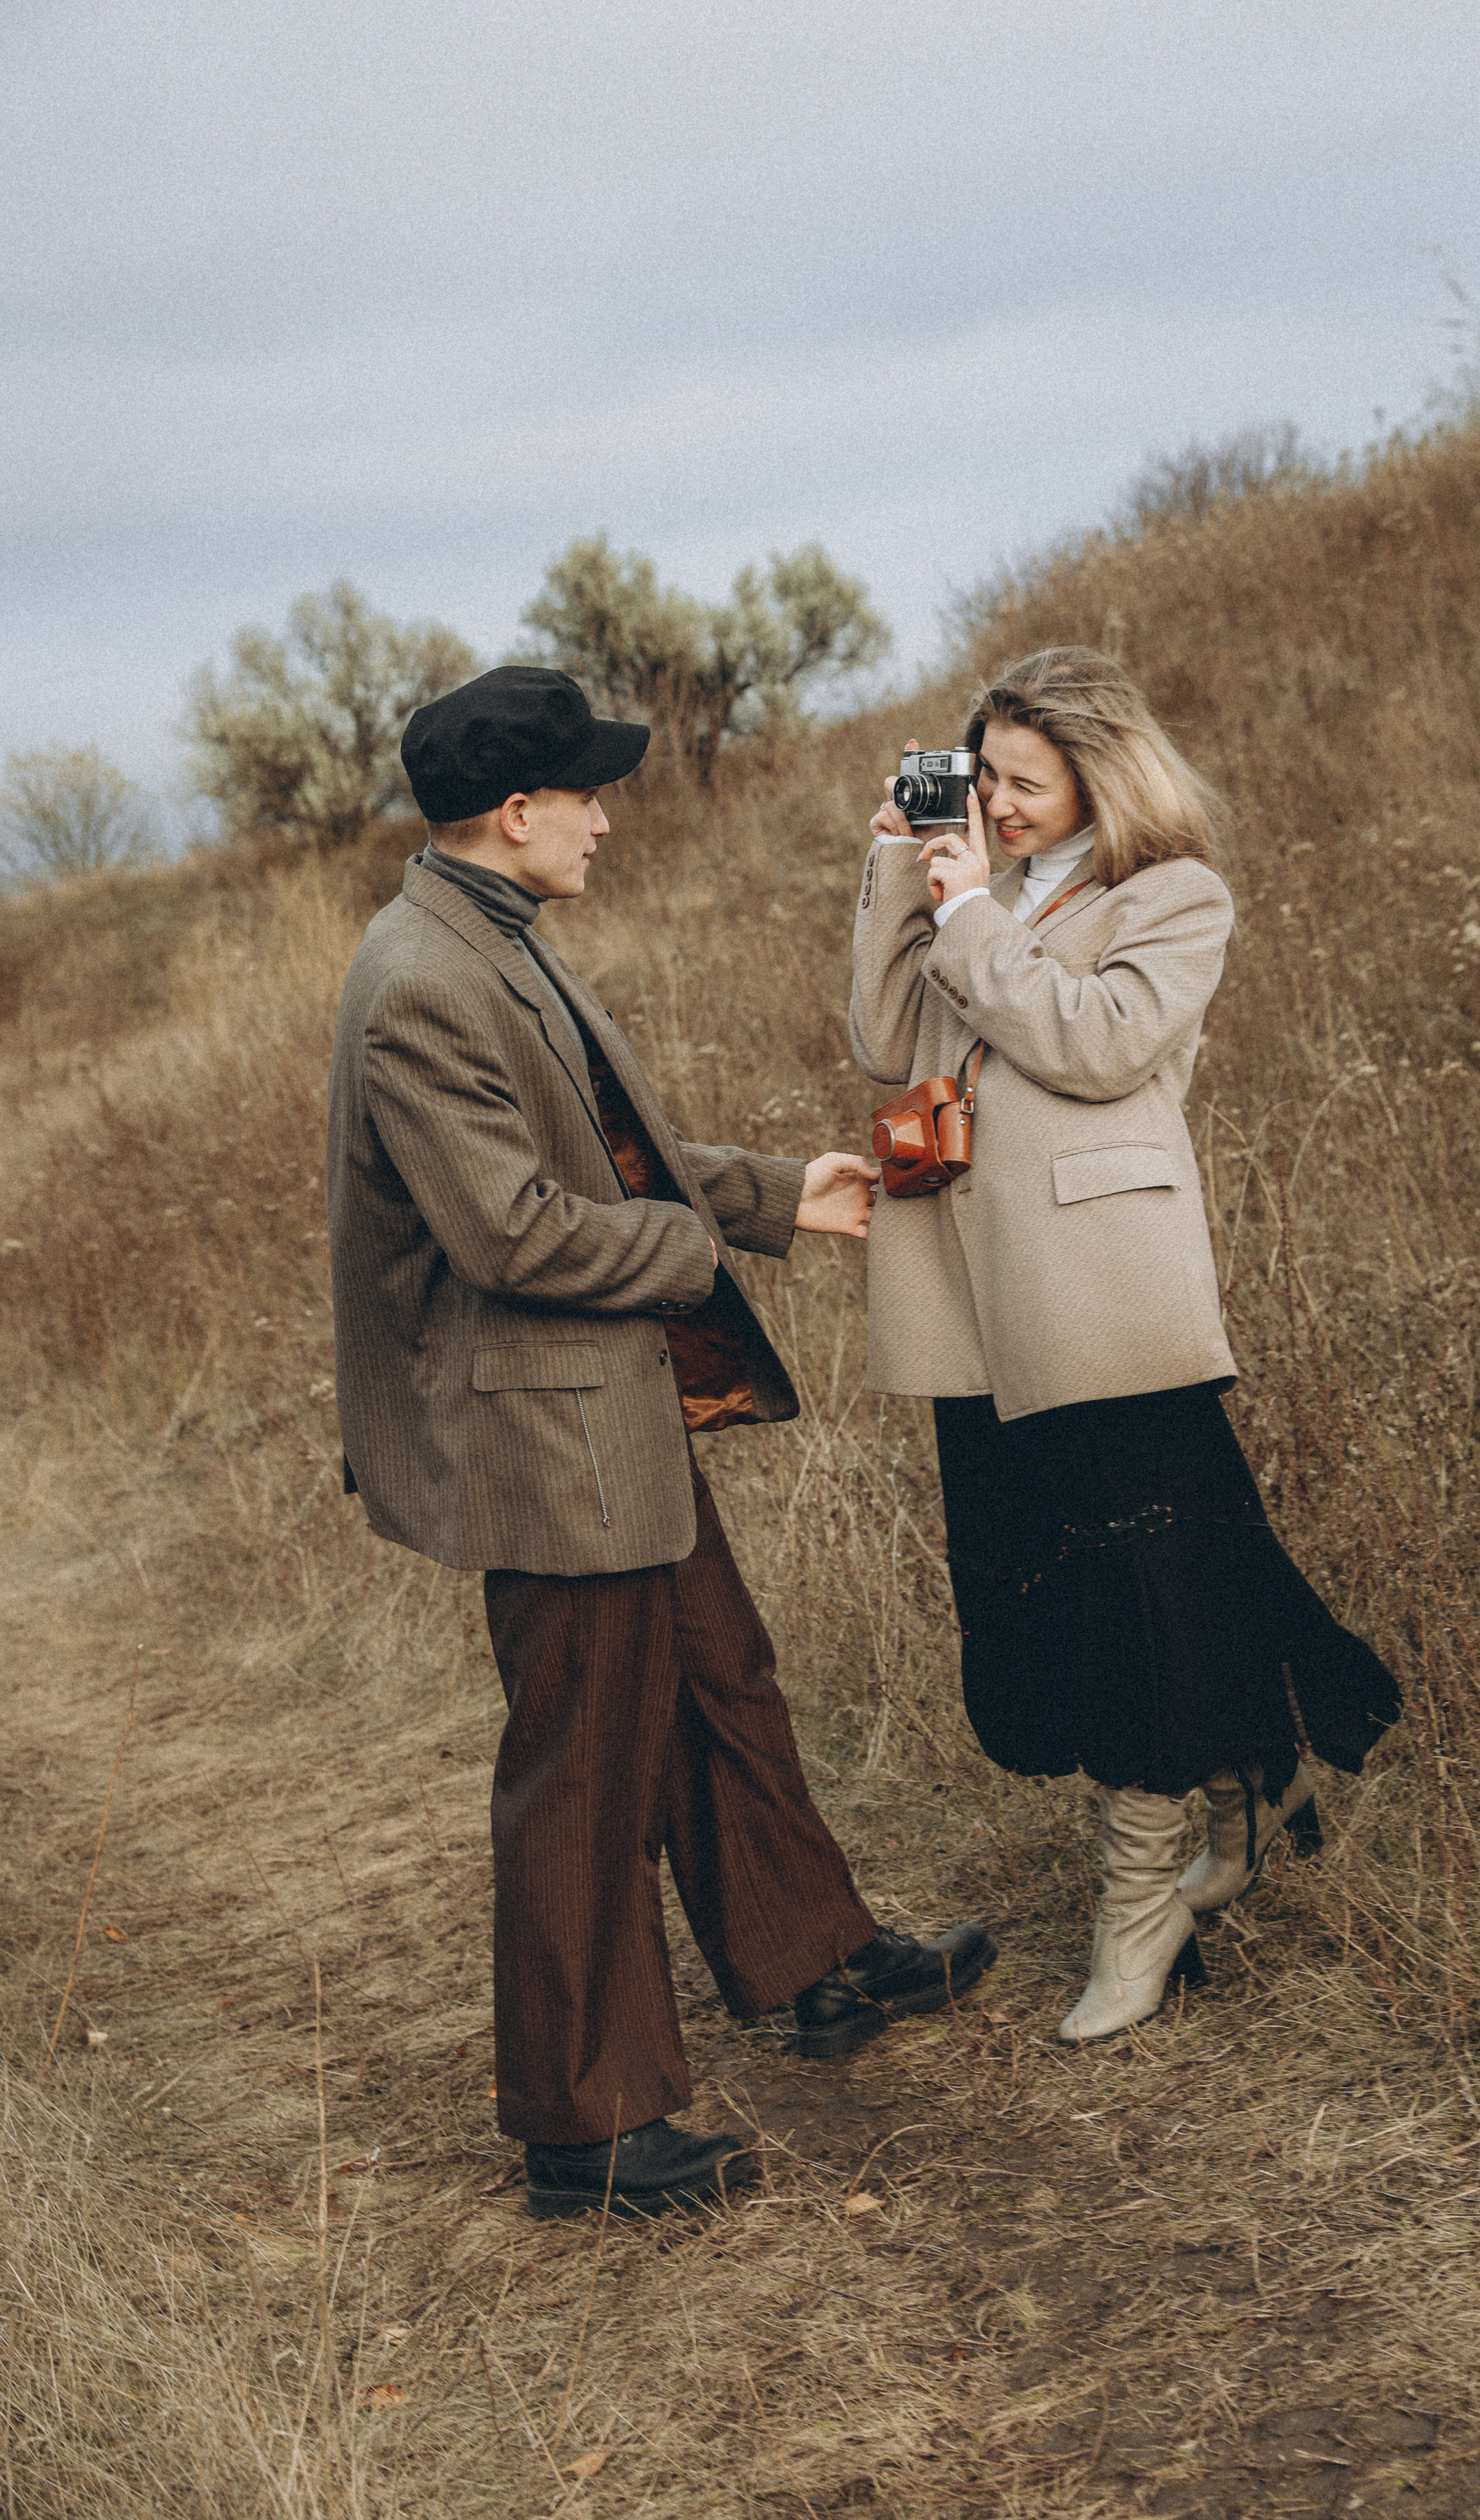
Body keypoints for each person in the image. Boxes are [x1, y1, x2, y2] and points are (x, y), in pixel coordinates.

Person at [327, 665, 995, 2220]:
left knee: (716, 1679)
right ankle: (583, 2123)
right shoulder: (423, 980)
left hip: (597, 1412)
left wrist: (779, 1194)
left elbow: (609, 1153)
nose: (606, 822)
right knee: (584, 1766)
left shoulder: (486, 940)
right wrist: (699, 1254)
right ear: (515, 813)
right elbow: (510, 1230)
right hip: (541, 1435)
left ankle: (814, 1965)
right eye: (587, 796)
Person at [849, 647, 1401, 2043]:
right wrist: (893, 883)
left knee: (1138, 1597)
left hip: (1099, 1299)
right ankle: (1234, 1784)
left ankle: (1138, 1899)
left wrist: (974, 913)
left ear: (1100, 775)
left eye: (1022, 782)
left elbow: (1096, 1046)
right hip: (973, 1297)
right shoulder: (964, 886)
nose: (996, 803)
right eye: (979, 778)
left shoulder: (1173, 897)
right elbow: (878, 1041)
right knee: (1039, 1587)